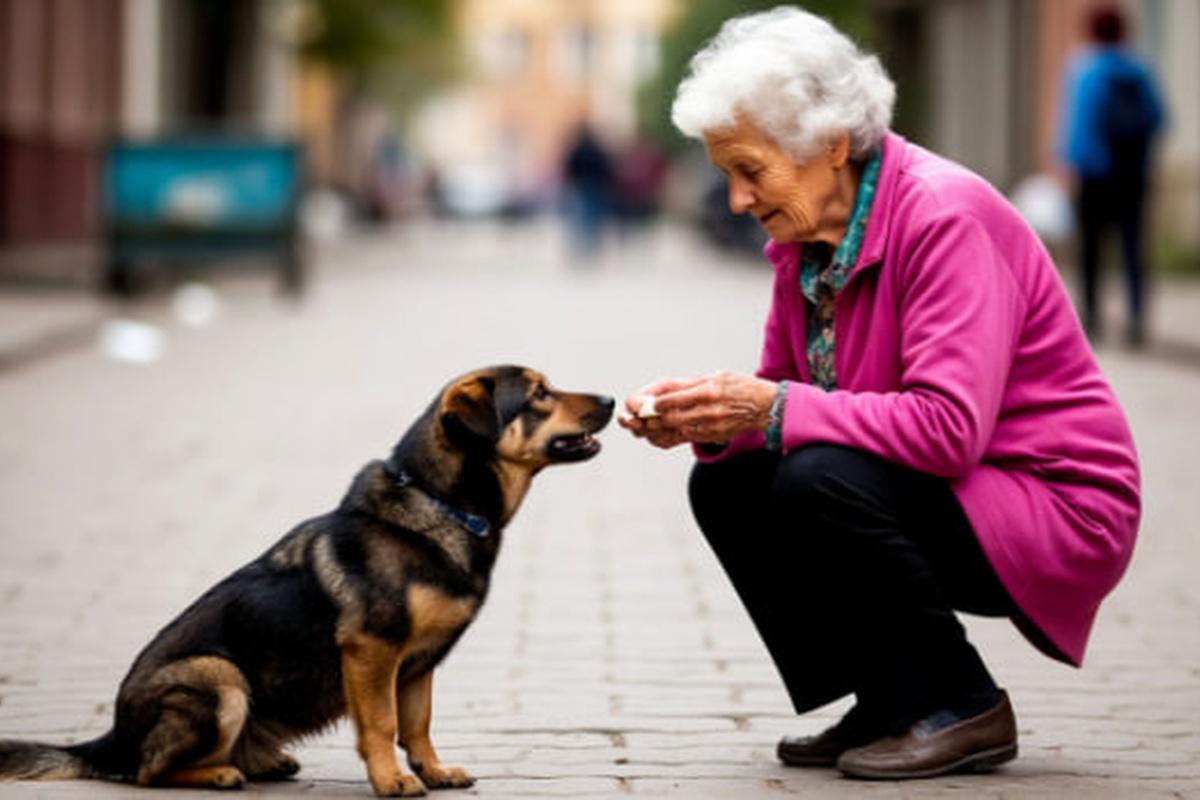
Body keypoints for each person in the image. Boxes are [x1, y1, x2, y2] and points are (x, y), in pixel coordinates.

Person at [619, 7, 1140, 781]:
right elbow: (783, 401)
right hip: (954, 487)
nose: (736, 199)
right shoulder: (805, 242)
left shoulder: (944, 216)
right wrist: (711, 419)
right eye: (727, 174)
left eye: (750, 170)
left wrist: (767, 408)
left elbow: (947, 429)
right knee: (730, 481)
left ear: (830, 144)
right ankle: (893, 698)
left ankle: (963, 703)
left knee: (816, 477)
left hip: (1057, 504)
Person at [1058, 3, 1165, 346]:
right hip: (1131, 174)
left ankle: (1092, 316)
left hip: (1094, 175)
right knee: (1133, 247)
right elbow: (1158, 118)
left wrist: (1071, 163)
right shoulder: (1140, 70)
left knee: (1090, 250)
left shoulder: (1084, 70)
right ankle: (1136, 318)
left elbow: (1077, 127)